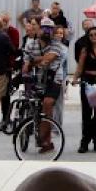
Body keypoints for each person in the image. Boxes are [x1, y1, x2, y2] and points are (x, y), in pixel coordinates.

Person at [24, 19, 67, 154]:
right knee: (35, 107)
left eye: (50, 29)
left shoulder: (57, 45)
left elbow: (49, 59)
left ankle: (46, 140)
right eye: (44, 28)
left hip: (54, 79)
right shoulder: (31, 44)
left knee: (47, 104)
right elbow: (25, 67)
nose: (47, 31)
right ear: (38, 29)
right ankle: (36, 132)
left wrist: (33, 61)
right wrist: (33, 62)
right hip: (37, 79)